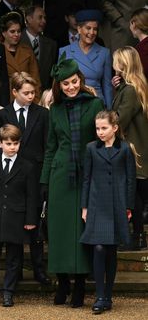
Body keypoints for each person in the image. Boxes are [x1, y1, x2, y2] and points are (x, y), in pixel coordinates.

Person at [40, 53, 104, 307]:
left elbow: (101, 142)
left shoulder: (95, 105)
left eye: (74, 81)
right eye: (65, 83)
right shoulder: (54, 110)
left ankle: (79, 285)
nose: (71, 87)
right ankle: (63, 282)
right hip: (60, 175)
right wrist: (45, 181)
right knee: (59, 231)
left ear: (80, 79)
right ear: (59, 86)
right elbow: (50, 147)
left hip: (87, 175)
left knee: (81, 230)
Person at [0, 71, 50, 286]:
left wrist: (45, 178)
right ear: (14, 91)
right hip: (11, 176)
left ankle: (38, 268)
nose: (31, 96)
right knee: (13, 225)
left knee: (35, 224)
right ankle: (13, 272)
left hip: (35, 174)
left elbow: (48, 146)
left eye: (34, 92)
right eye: (26, 93)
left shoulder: (42, 114)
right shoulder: (3, 114)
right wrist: (0, 153)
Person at [80, 110, 136, 314]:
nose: (100, 132)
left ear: (115, 128)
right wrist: (84, 206)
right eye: (97, 128)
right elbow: (86, 178)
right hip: (96, 204)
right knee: (99, 248)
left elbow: (131, 180)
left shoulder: (125, 150)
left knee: (111, 250)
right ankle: (100, 295)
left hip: (117, 205)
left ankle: (108, 296)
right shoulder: (91, 148)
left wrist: (129, 206)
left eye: (104, 128)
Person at [0, 124, 37, 307]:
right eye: (8, 143)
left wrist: (31, 220)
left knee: (14, 257)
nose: (12, 147)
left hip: (17, 218)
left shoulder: (27, 166)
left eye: (16, 143)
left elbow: (31, 195)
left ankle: (9, 292)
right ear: (0, 143)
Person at [112, 46, 148, 250]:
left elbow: (120, 119)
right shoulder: (136, 85)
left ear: (123, 64)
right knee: (136, 195)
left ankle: (137, 237)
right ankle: (138, 236)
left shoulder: (130, 90)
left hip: (133, 150)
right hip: (139, 149)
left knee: (133, 195)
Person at [59, 9, 113, 109]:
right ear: (79, 29)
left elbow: (107, 86)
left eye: (95, 29)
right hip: (72, 104)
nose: (92, 32)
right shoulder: (65, 52)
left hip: (96, 103)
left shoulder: (104, 53)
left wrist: (109, 111)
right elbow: (60, 83)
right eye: (88, 28)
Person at [0, 12, 41, 102]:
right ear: (4, 33)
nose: (16, 34)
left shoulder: (27, 50)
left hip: (27, 98)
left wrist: (36, 102)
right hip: (6, 100)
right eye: (12, 31)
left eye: (18, 31)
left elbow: (35, 79)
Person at [21, 5, 57, 91]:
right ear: (29, 19)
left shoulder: (51, 44)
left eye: (45, 18)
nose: (44, 21)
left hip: (44, 95)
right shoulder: (17, 40)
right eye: (40, 18)